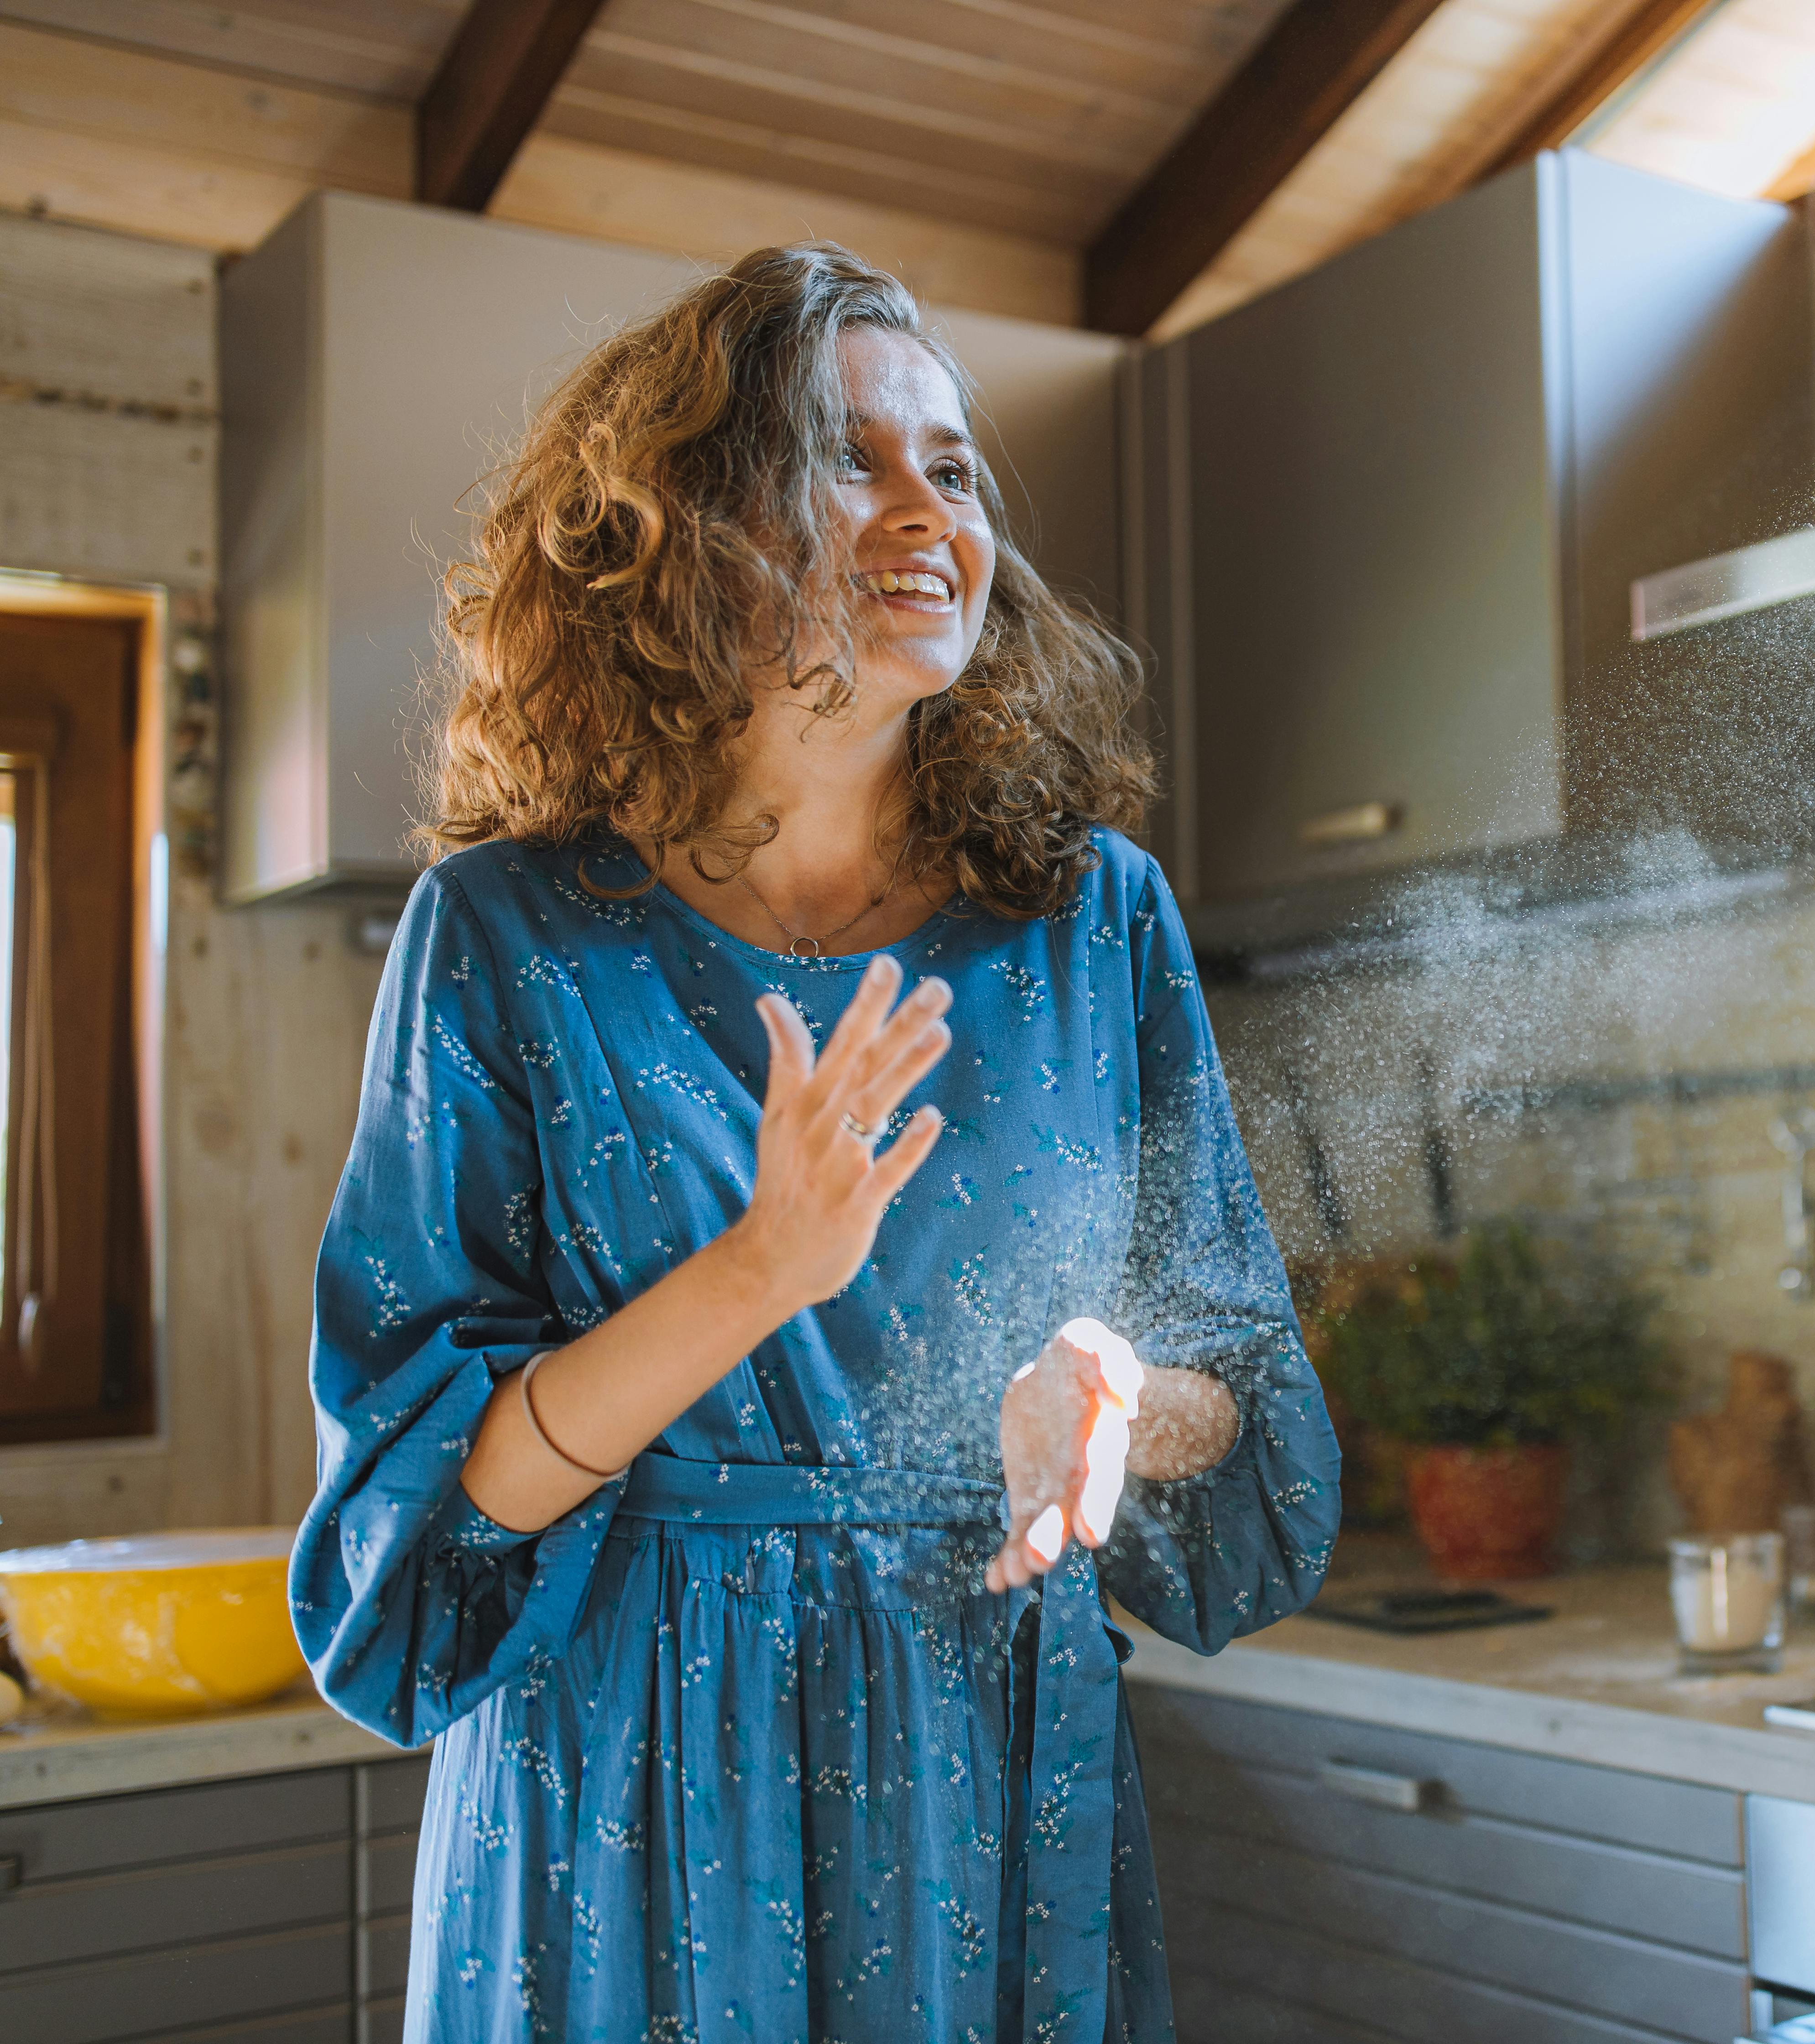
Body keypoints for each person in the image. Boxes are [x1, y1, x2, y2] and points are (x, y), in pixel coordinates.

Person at [291, 242, 1338, 2041]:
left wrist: (1116, 1394)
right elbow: (413, 1530)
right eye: (851, 457)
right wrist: (757, 1275)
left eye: (954, 464)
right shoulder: (505, 936)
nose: (926, 506)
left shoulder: (1095, 922)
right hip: (617, 1787)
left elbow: (1245, 1406)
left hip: (986, 1765)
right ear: (683, 529)